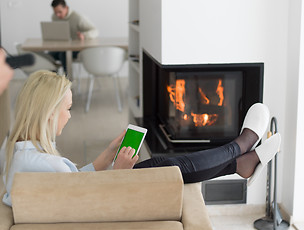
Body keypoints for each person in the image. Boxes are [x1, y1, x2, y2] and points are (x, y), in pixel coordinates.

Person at [1, 70, 281, 207]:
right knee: (175, 169)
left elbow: (75, 184)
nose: (70, 116)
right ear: (48, 113)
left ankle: (241, 161)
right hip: (112, 204)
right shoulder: (49, 166)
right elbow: (88, 200)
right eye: (68, 109)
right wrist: (120, 173)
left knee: (167, 164)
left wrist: (110, 154)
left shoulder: (13, 151)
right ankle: (242, 146)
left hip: (95, 197)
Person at [49, 0, 99, 73]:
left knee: (64, 55)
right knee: (49, 56)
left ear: (66, 8)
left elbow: (95, 31)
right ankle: (52, 80)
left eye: (60, 12)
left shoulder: (77, 17)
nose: (57, 15)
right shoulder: (54, 17)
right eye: (55, 12)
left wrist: (84, 35)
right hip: (63, 47)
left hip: (78, 48)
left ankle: (68, 80)